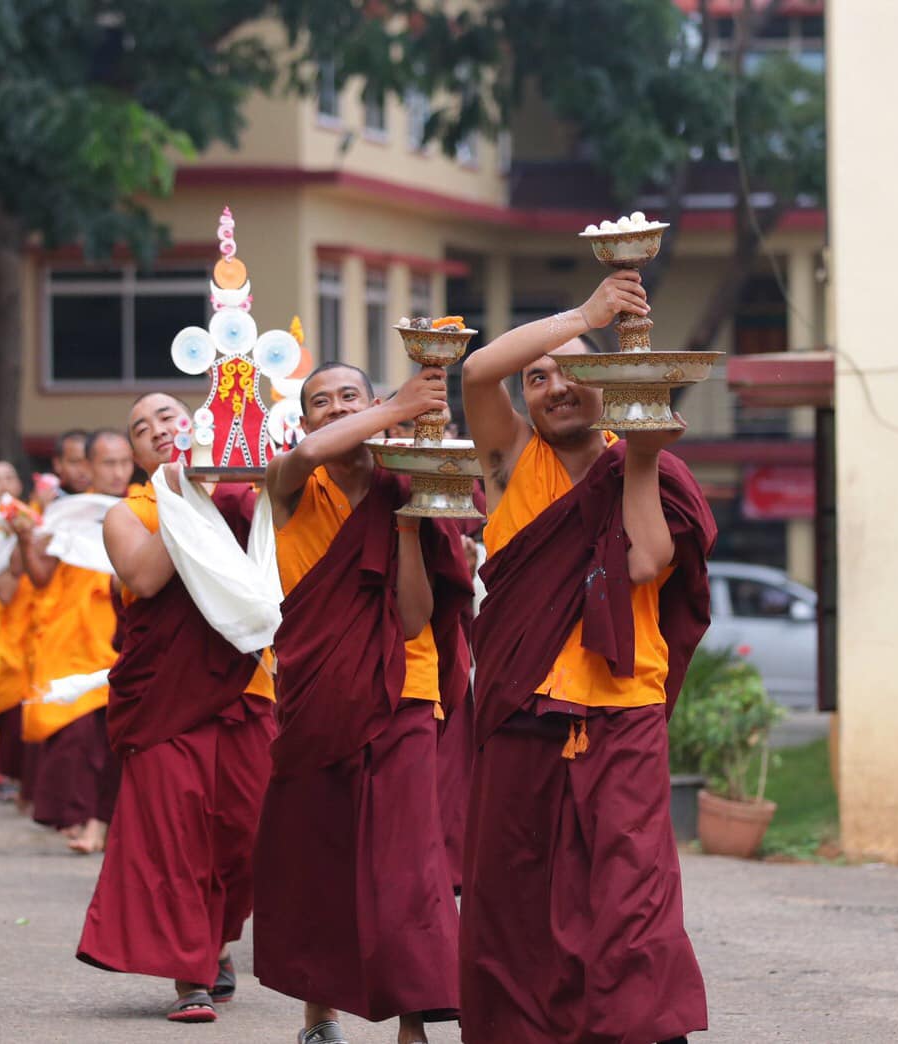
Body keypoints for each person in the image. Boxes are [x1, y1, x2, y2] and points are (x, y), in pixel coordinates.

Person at [456, 271, 717, 1043]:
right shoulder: (506, 461)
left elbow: (643, 564)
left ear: (607, 382)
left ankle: (638, 1030)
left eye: (574, 369)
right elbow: (474, 371)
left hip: (620, 711)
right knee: (516, 894)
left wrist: (638, 454)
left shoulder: (647, 468)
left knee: (630, 893)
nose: (555, 386)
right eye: (538, 377)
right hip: (523, 712)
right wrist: (586, 314)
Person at [255, 362, 473, 1044]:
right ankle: (320, 1013)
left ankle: (414, 1020)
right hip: (318, 695)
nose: (334, 409)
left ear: (370, 403)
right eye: (319, 402)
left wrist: (408, 524)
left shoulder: (404, 491)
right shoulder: (290, 486)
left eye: (348, 396)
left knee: (407, 865)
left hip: (405, 692)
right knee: (319, 857)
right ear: (304, 419)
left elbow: (413, 622)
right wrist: (397, 407)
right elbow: (308, 454)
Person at [76, 393, 276, 1024]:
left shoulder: (247, 493)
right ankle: (188, 974)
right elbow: (147, 578)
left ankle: (216, 942)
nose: (156, 428)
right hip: (167, 698)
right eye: (141, 428)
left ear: (195, 423)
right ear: (135, 454)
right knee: (174, 836)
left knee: (246, 835)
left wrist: (217, 491)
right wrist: (185, 502)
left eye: (166, 415)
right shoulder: (127, 514)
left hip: (247, 691)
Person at [17, 429, 132, 853]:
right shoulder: (71, 513)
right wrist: (24, 536)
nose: (118, 472)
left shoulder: (143, 503)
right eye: (107, 464)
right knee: (79, 734)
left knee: (114, 738)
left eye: (124, 462)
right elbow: (42, 575)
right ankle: (84, 819)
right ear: (87, 467)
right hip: (73, 637)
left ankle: (100, 823)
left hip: (120, 632)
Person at [0, 460, 34, 794]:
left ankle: (27, 782)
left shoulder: (35, 518)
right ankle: (7, 774)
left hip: (36, 620)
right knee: (4, 699)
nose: (3, 485)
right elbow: (2, 588)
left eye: (9, 477)